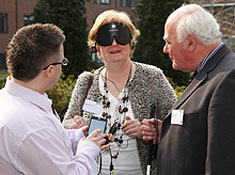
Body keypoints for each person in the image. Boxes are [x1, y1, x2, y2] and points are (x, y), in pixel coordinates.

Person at [62, 10, 176, 175]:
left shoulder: (153, 77)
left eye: (121, 37)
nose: (114, 44)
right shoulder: (86, 82)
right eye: (106, 39)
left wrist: (148, 131)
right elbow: (66, 125)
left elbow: (176, 125)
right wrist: (75, 127)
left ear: (130, 43)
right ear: (97, 47)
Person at [0, 23, 110, 175]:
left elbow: (41, 146)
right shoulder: (34, 127)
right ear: (50, 70)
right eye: (63, 62)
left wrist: (75, 137)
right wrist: (89, 148)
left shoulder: (8, 100)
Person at [141, 4, 235, 175]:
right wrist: (169, 133)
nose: (165, 49)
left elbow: (223, 161)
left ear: (191, 42)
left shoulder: (227, 77)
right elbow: (202, 132)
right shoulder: (209, 71)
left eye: (169, 42)